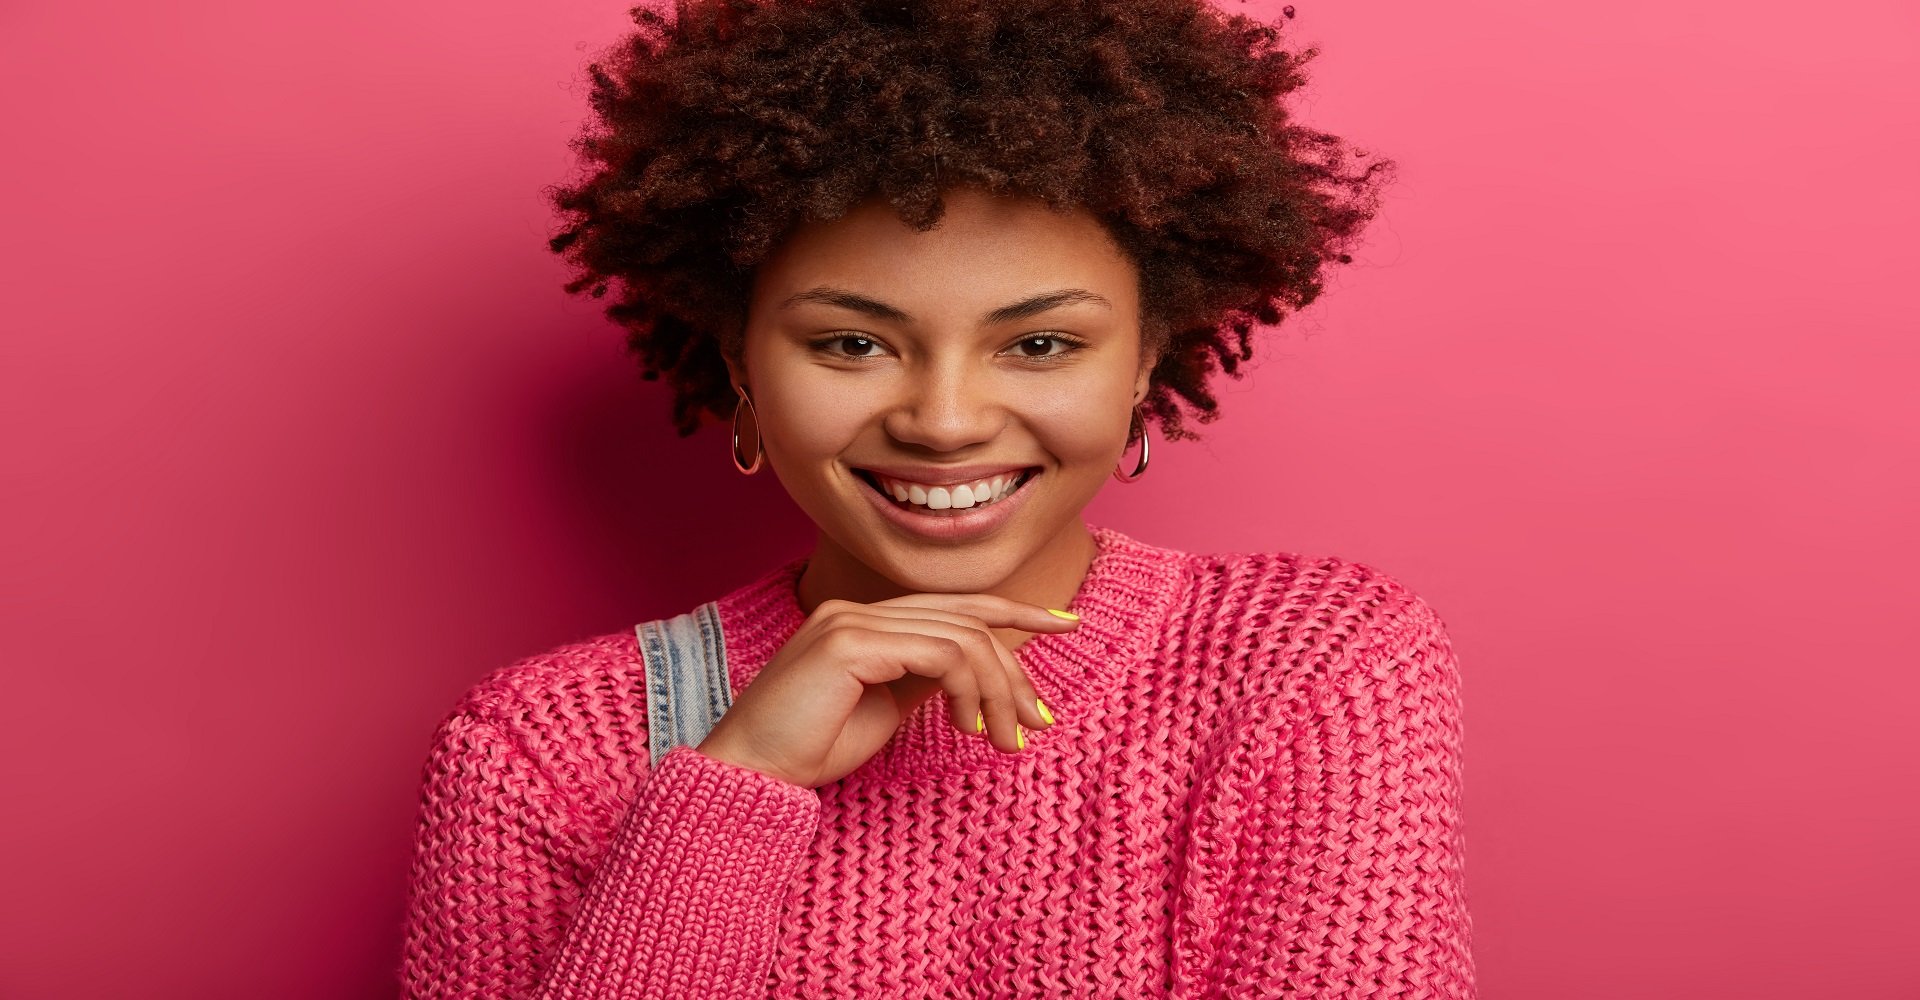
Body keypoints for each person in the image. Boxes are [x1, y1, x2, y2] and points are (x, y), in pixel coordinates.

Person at [399, 0, 1472, 996]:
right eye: (853, 342)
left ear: (1146, 357)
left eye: (1040, 343)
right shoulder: (541, 748)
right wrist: (732, 790)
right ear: (740, 363)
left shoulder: (1308, 666)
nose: (946, 420)